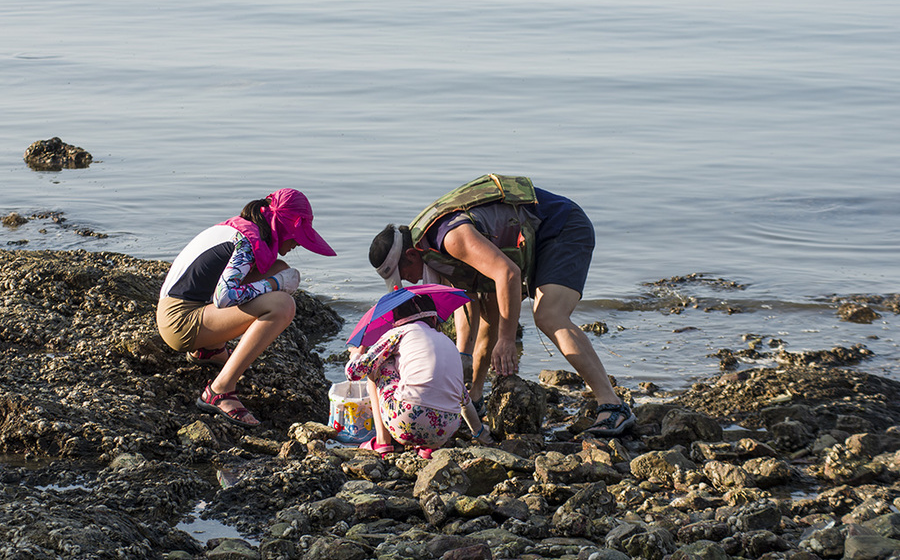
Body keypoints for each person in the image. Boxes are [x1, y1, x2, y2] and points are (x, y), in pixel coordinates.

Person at [368, 174, 634, 437]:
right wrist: (463, 356)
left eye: (404, 274)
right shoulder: (431, 254)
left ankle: (611, 404)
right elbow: (469, 304)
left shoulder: (450, 238)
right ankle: (477, 395)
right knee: (492, 312)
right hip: (526, 243)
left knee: (549, 315)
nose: (409, 281)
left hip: (560, 227)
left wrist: (507, 339)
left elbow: (508, 274)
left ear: (411, 255)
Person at [157, 188, 336, 427]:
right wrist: (275, 284)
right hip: (179, 323)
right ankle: (220, 391)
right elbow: (225, 297)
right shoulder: (245, 242)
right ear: (283, 226)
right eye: (297, 236)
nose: (298, 244)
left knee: (279, 267)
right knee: (283, 306)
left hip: (180, 310)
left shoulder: (241, 228)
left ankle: (209, 348)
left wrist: (276, 278)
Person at [345, 294, 494, 458]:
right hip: (445, 430)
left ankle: (383, 443)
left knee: (379, 363)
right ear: (433, 318)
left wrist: (357, 353)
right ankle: (427, 448)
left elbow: (354, 372)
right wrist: (481, 434)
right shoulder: (449, 344)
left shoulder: (399, 332)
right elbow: (464, 399)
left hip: (405, 422)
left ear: (397, 319)